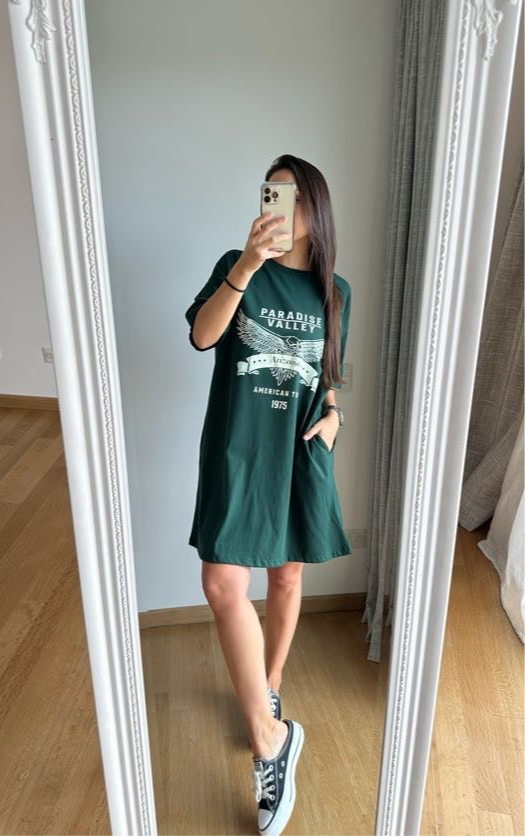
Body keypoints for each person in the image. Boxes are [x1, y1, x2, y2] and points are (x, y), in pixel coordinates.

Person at [184, 154, 352, 834]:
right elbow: (203, 336)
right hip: (239, 448)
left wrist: (334, 416)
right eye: (269, 193)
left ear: (316, 207)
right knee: (223, 582)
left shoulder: (334, 291)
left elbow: (329, 373)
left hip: (299, 451)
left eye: (291, 196)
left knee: (286, 575)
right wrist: (248, 266)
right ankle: (270, 741)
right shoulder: (237, 265)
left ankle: (268, 691)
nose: (277, 205)